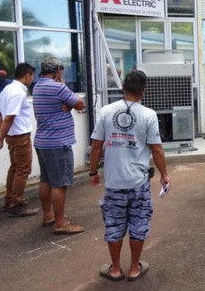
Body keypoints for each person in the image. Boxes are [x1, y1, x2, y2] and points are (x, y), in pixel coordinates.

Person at [89, 70, 170, 282]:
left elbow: (96, 145)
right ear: (144, 91)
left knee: (114, 226)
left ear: (123, 88)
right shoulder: (148, 115)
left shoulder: (106, 111)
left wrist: (93, 171)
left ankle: (115, 268)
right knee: (138, 224)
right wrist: (164, 175)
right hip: (138, 182)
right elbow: (157, 149)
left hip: (114, 183)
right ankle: (134, 267)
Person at [33, 57, 85, 234]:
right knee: (59, 183)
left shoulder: (37, 86)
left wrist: (68, 105)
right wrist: (68, 98)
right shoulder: (58, 87)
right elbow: (80, 103)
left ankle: (48, 215)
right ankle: (61, 223)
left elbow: (66, 105)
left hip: (42, 141)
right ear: (57, 70)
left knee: (46, 179)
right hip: (58, 142)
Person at [0, 63, 39, 217]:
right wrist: (0, 139)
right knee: (23, 170)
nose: (32, 79)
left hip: (11, 136)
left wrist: (0, 136)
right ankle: (16, 204)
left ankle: (10, 199)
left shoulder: (7, 90)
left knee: (15, 168)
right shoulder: (18, 92)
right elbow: (9, 118)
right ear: (27, 75)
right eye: (32, 76)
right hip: (20, 136)